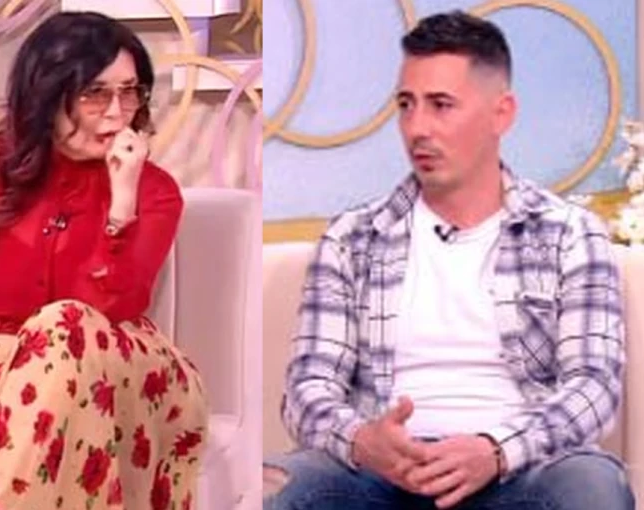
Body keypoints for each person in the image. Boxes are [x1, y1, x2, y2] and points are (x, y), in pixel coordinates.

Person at [265, 10, 634, 510]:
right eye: (406, 105)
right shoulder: (352, 239)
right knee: (281, 486)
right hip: (382, 476)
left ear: (501, 114)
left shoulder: (570, 234)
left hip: (518, 470)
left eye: (441, 105)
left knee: (590, 486)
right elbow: (308, 388)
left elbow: (593, 386)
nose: (417, 128)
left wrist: (494, 450)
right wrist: (362, 440)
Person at [0, 11, 207, 510]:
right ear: (46, 95)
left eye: (130, 92)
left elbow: (117, 303)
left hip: (116, 362)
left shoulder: (154, 191)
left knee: (65, 325)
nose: (117, 113)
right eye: (95, 94)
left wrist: (122, 205)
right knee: (34, 382)